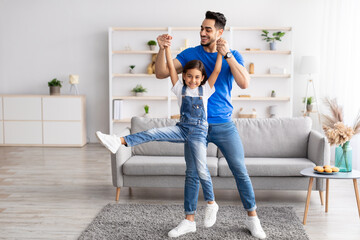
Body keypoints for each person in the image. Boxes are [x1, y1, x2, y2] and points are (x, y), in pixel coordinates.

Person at [155, 11, 266, 239]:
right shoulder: (190, 54)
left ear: (219, 32)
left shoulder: (232, 55)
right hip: (194, 126)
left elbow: (244, 83)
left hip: (223, 124)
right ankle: (189, 221)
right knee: (192, 173)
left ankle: (253, 219)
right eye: (202, 28)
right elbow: (161, 73)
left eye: (208, 29)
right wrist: (161, 48)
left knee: (240, 171)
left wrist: (228, 57)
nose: (203, 32)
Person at [96, 40, 223, 237]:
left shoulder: (205, 90)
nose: (193, 80)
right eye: (189, 76)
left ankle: (212, 203)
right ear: (184, 76)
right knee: (153, 133)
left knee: (200, 170)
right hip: (182, 129)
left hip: (198, 133)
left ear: (202, 78)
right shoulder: (179, 87)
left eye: (197, 77)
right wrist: (165, 48)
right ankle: (119, 141)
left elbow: (216, 71)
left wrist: (222, 54)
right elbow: (171, 67)